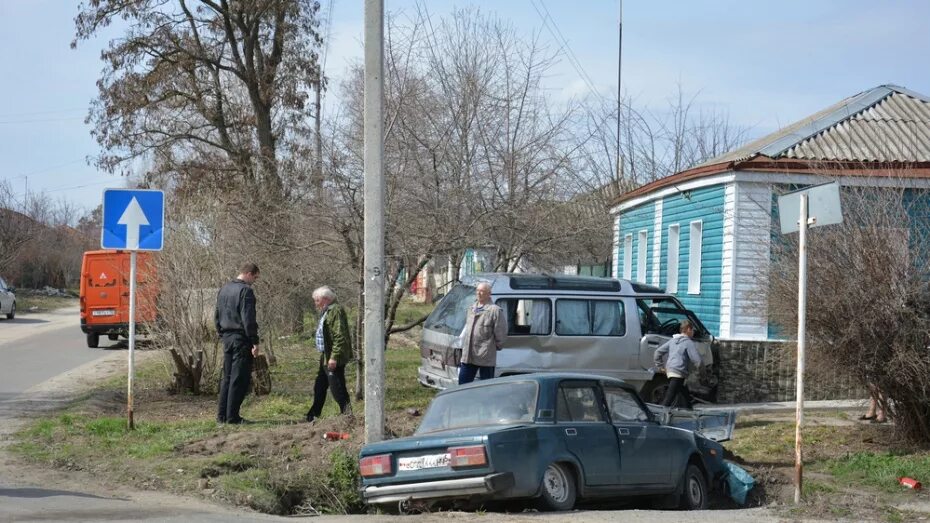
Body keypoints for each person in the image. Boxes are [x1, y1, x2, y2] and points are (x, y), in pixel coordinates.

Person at [215, 263, 261, 424]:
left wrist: (222, 334)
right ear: (249, 273)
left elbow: (217, 316)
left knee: (227, 378)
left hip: (227, 337)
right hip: (241, 338)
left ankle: (222, 416)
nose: (254, 281)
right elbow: (248, 319)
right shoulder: (245, 291)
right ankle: (233, 417)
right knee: (239, 378)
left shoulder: (224, 289)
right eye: (255, 277)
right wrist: (254, 341)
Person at [305, 286, 352, 423]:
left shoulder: (335, 311)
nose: (315, 303)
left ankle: (347, 415)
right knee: (319, 386)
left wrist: (334, 357)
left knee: (337, 387)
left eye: (317, 300)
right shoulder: (326, 311)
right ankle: (312, 415)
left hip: (332, 357)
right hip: (325, 355)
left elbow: (339, 336)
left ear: (325, 299)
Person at [458, 281, 508, 385]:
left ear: (489, 293)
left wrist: (492, 347)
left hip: (485, 356)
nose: (479, 293)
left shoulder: (495, 311)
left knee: (486, 387)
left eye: (482, 291)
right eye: (477, 291)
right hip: (468, 355)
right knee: (462, 385)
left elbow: (501, 333)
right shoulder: (471, 308)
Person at [653, 319, 703, 409]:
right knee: (668, 399)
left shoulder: (672, 341)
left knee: (685, 393)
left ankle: (690, 411)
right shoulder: (688, 342)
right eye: (692, 330)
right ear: (688, 329)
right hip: (678, 372)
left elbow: (657, 352)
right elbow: (698, 360)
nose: (693, 333)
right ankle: (657, 416)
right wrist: (702, 373)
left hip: (671, 370)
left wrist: (660, 367)